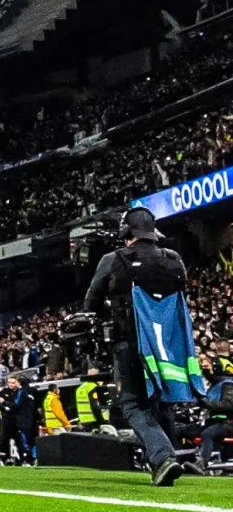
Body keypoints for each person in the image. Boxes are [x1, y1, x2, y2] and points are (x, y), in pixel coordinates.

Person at [83, 206, 189, 486]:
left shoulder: (113, 259)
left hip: (129, 342)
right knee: (158, 399)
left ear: (126, 232)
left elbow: (91, 302)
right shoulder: (174, 258)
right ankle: (173, 455)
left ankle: (163, 456)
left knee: (131, 403)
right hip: (168, 344)